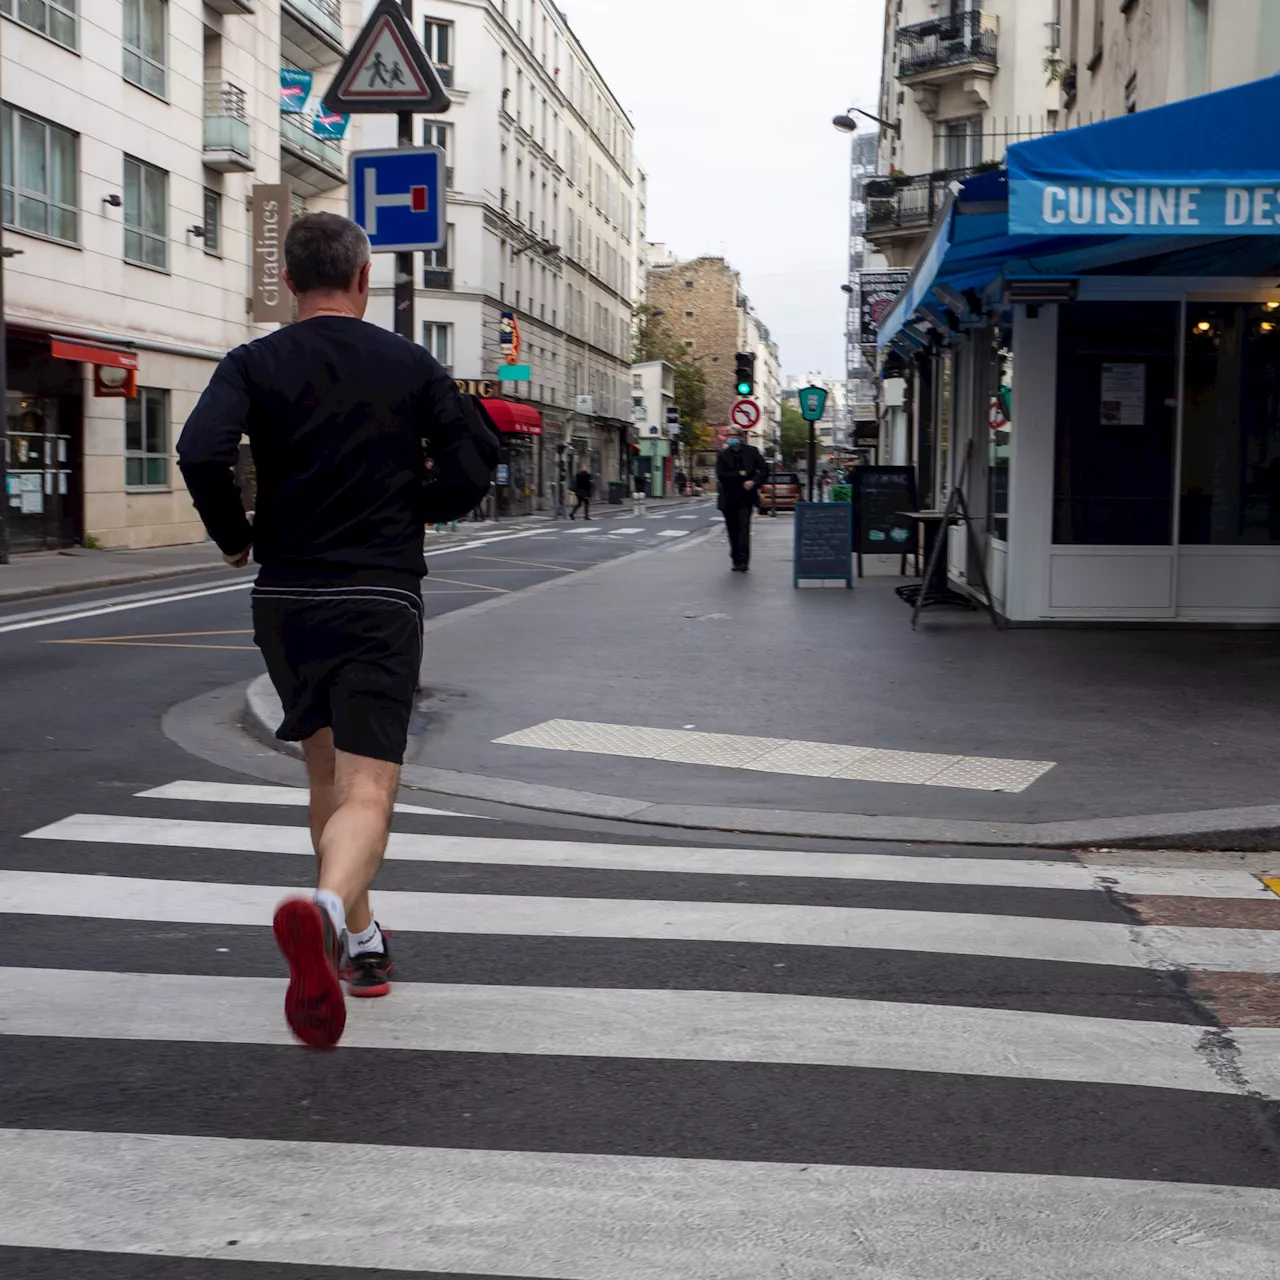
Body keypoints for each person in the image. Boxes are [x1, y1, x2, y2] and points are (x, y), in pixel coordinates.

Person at [177, 212, 494, 1049]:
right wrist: (412, 511)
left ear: (287, 282)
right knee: (369, 790)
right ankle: (324, 910)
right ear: (362, 281)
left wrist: (234, 534)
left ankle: (362, 943)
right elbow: (472, 466)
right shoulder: (412, 363)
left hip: (285, 597)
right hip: (377, 596)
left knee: (324, 775)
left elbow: (201, 450)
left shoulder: (253, 362)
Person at [716, 431, 768, 572]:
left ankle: (743, 561)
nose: (732, 439)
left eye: (735, 436)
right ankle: (735, 559)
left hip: (746, 497)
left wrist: (753, 482)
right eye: (730, 436)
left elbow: (764, 470)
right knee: (732, 530)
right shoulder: (723, 454)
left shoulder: (752, 452)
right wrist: (740, 475)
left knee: (744, 529)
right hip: (728, 498)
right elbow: (721, 476)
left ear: (742, 437)